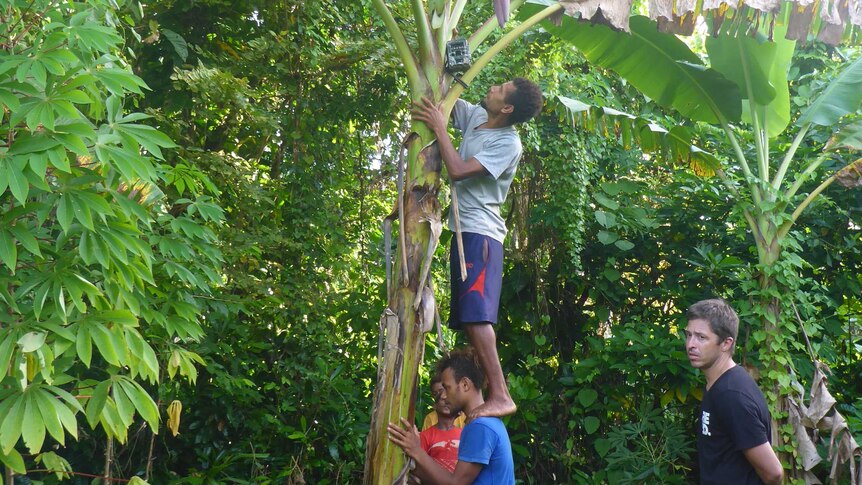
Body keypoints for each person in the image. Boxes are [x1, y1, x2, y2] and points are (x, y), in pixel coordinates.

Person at [412, 78, 543, 420]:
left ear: (508, 108)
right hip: (461, 232)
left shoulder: (508, 143)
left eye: (501, 89)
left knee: (478, 317)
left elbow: (457, 171)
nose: (493, 87)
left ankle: (501, 395)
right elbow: (444, 99)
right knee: (468, 322)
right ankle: (480, 397)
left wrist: (439, 127)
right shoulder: (476, 117)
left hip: (481, 235)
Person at [684, 299, 784, 485]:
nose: (691, 344)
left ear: (726, 343)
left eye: (701, 337)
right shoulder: (717, 384)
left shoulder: (731, 395)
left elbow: (774, 473)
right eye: (688, 335)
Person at [388, 348, 515, 484]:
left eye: (447, 388)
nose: (443, 396)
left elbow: (455, 483)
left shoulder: (480, 426)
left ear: (465, 385)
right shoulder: (486, 422)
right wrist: (413, 466)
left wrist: (416, 450)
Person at [419, 375, 464, 473]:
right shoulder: (425, 435)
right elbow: (421, 465)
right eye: (437, 394)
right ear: (434, 405)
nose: (444, 397)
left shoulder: (465, 434)